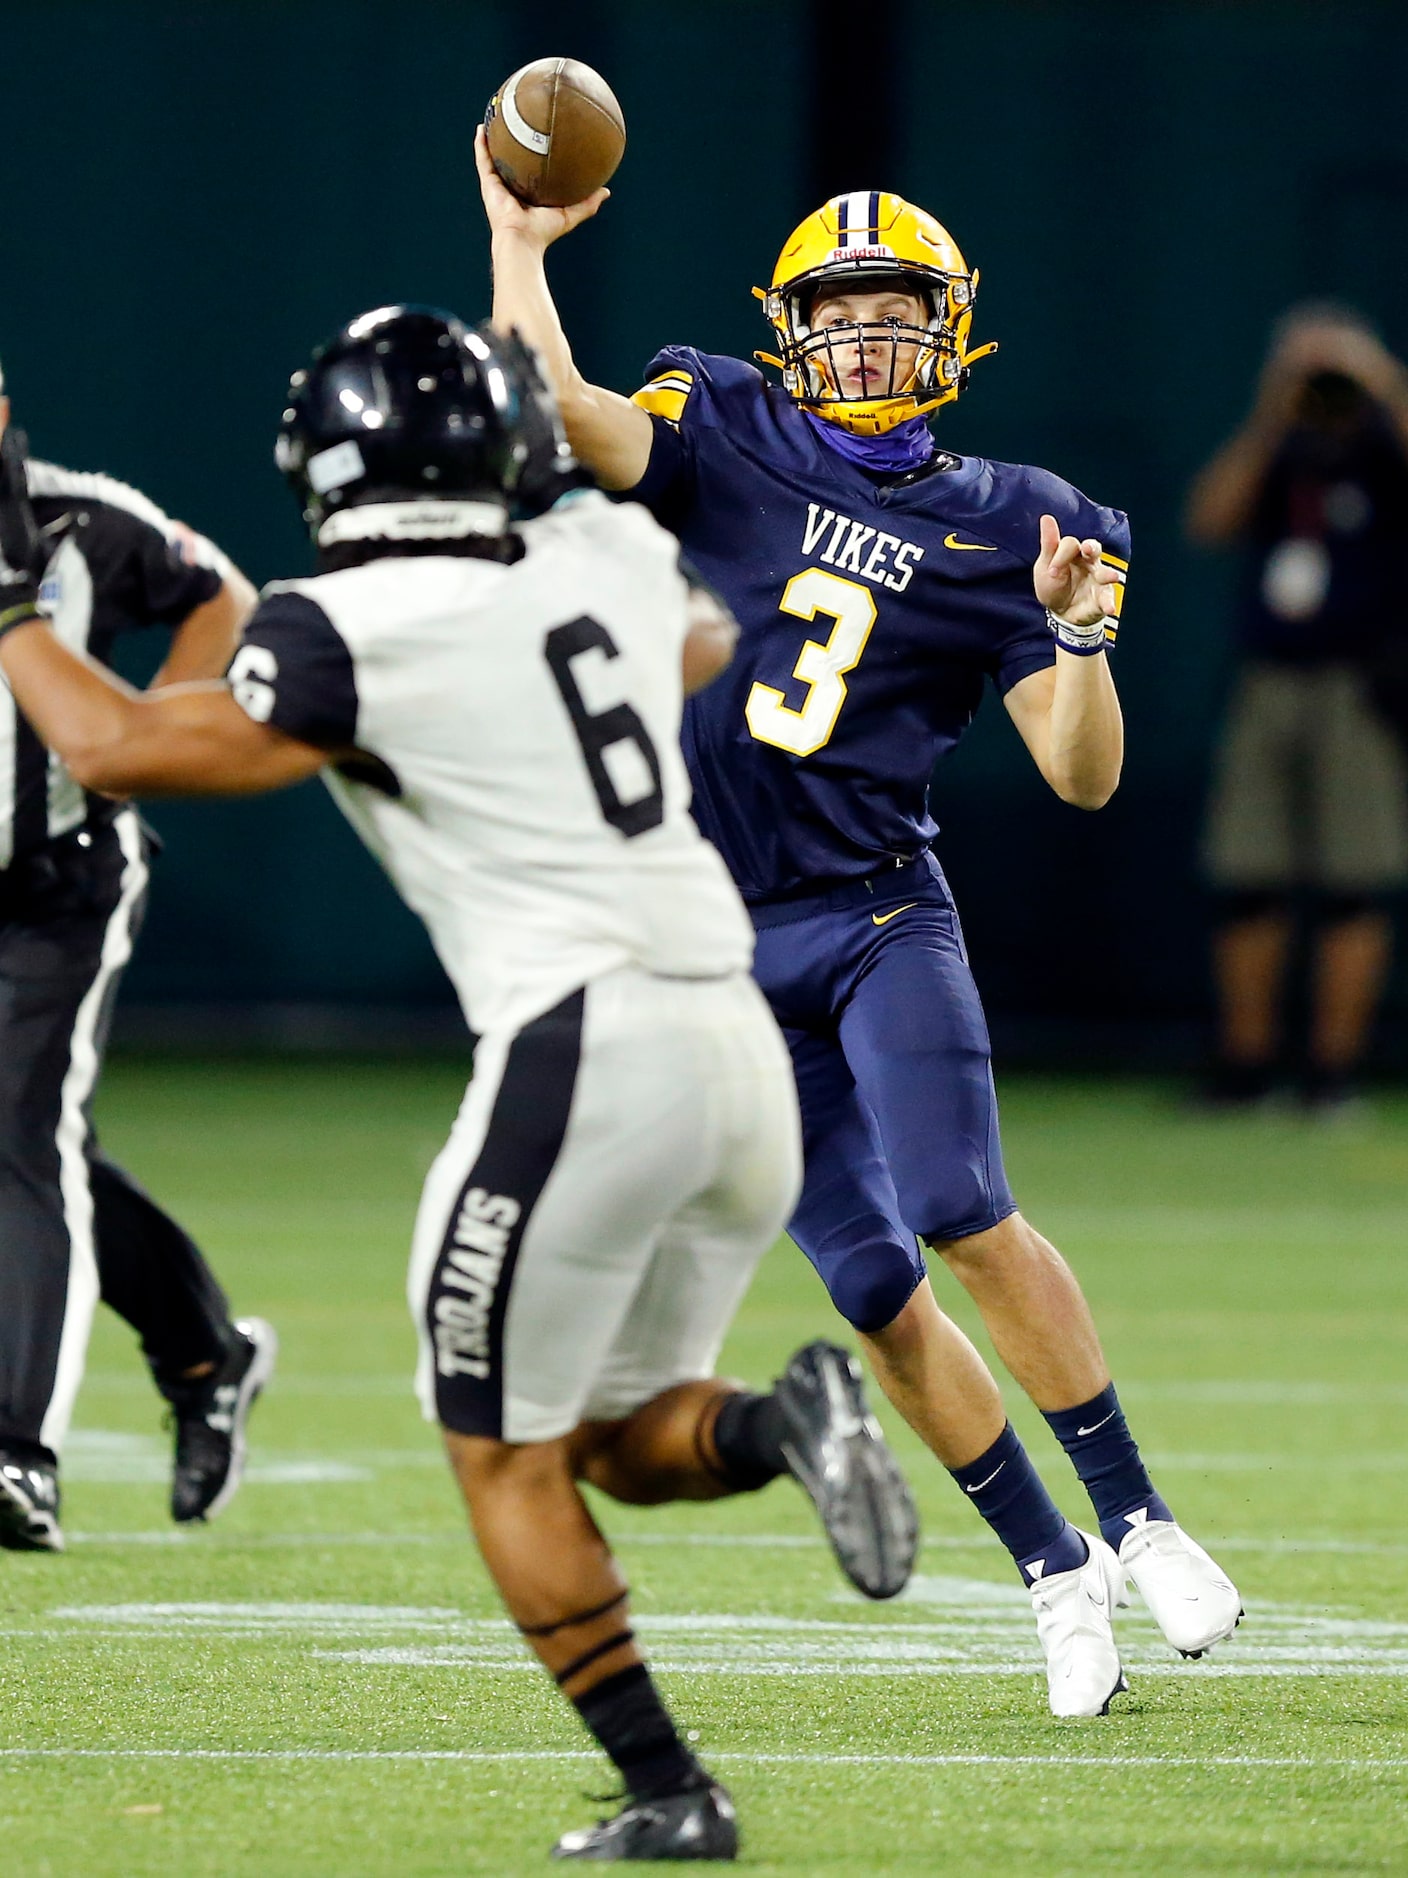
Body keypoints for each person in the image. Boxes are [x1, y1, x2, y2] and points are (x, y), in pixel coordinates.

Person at [0, 306, 918, 1861]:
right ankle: (783, 1421)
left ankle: (668, 1789)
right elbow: (701, 638)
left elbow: (118, 744)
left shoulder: (342, 625)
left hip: (583, 1049)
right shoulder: (607, 562)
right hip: (732, 1049)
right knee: (617, 1435)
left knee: (499, 1449)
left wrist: (15, 596)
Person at [477, 148, 1244, 1716]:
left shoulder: (1014, 519)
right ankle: (1051, 1570)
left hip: (879, 911)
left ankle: (1141, 1515)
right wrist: (519, 244)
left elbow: (1083, 775)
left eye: (901, 315)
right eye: (845, 315)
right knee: (868, 1284)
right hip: (711, 949)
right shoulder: (724, 426)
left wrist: (1085, 632)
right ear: (790, 331)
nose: (874, 341)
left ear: (953, 332)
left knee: (963, 1203)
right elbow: (559, 407)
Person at [0, 364, 276, 1553]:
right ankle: (204, 1348)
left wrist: (155, 729)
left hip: (53, 886)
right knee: (33, 1146)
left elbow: (221, 592)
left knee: (19, 1136)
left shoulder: (76, 520)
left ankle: (16, 1453)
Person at [1187, 304, 1408, 1112]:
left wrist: (1380, 382)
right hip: (1269, 680)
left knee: (1355, 882)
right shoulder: (1279, 451)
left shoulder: (1384, 446)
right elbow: (1209, 517)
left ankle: (1331, 1075)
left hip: (1360, 686)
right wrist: (1274, 408)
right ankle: (1245, 1068)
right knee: (1250, 880)